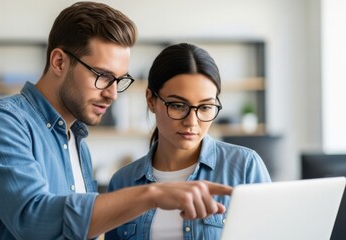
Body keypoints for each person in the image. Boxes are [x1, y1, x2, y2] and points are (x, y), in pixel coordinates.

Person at [0, 2, 232, 239]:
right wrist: (153, 195)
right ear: (59, 62)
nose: (112, 94)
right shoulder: (1, 124)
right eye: (102, 75)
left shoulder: (78, 143)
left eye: (118, 80)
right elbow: (34, 221)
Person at [105, 43, 271, 240]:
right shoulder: (123, 182)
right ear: (151, 100)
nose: (192, 122)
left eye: (205, 107)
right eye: (177, 105)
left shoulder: (245, 167)